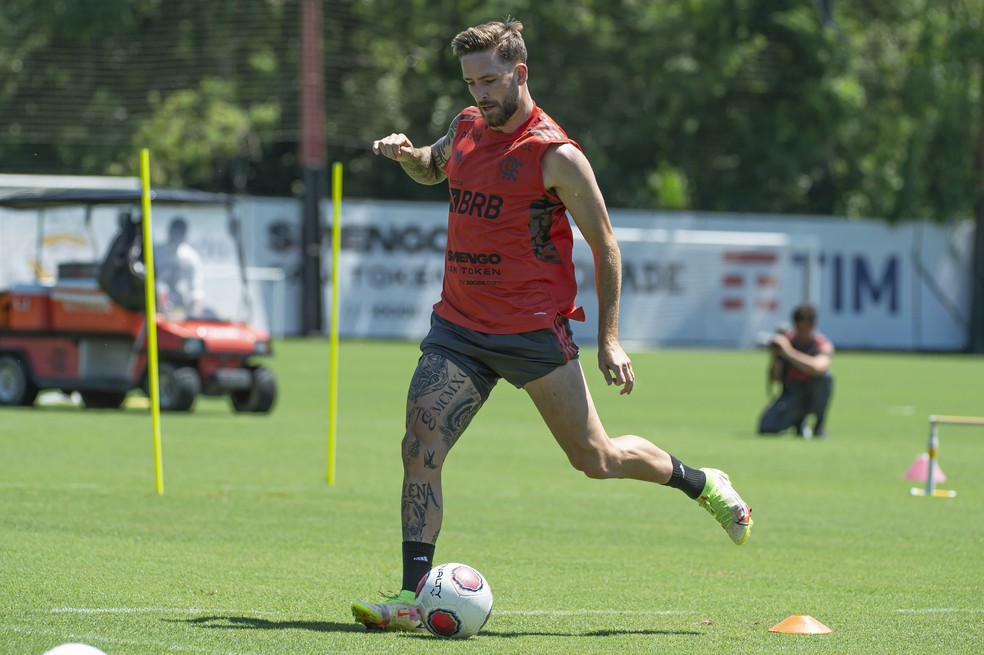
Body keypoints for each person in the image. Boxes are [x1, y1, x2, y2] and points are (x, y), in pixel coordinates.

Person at [351, 19, 753, 632]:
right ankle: (411, 593)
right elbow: (435, 169)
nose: (480, 93)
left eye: (490, 80)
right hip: (459, 326)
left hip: (532, 331)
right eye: (470, 81)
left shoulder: (555, 154)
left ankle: (701, 482)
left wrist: (610, 338)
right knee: (419, 446)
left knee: (596, 458)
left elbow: (607, 245)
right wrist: (408, 156)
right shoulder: (464, 126)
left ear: (520, 73)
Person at [758, 303, 834, 438]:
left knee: (826, 377)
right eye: (798, 327)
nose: (801, 332)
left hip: (813, 394)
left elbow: (818, 367)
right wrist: (776, 356)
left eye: (805, 327)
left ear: (813, 325)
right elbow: (775, 378)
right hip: (792, 393)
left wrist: (788, 353)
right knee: (766, 427)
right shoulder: (787, 342)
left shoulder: (821, 344)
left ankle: (818, 426)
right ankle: (797, 421)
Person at [153, 216, 205, 317]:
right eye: (175, 232)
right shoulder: (155, 252)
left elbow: (196, 286)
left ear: (185, 235)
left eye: (180, 233)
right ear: (169, 232)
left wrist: (196, 304)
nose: (177, 236)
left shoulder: (191, 258)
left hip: (180, 308)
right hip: (154, 305)